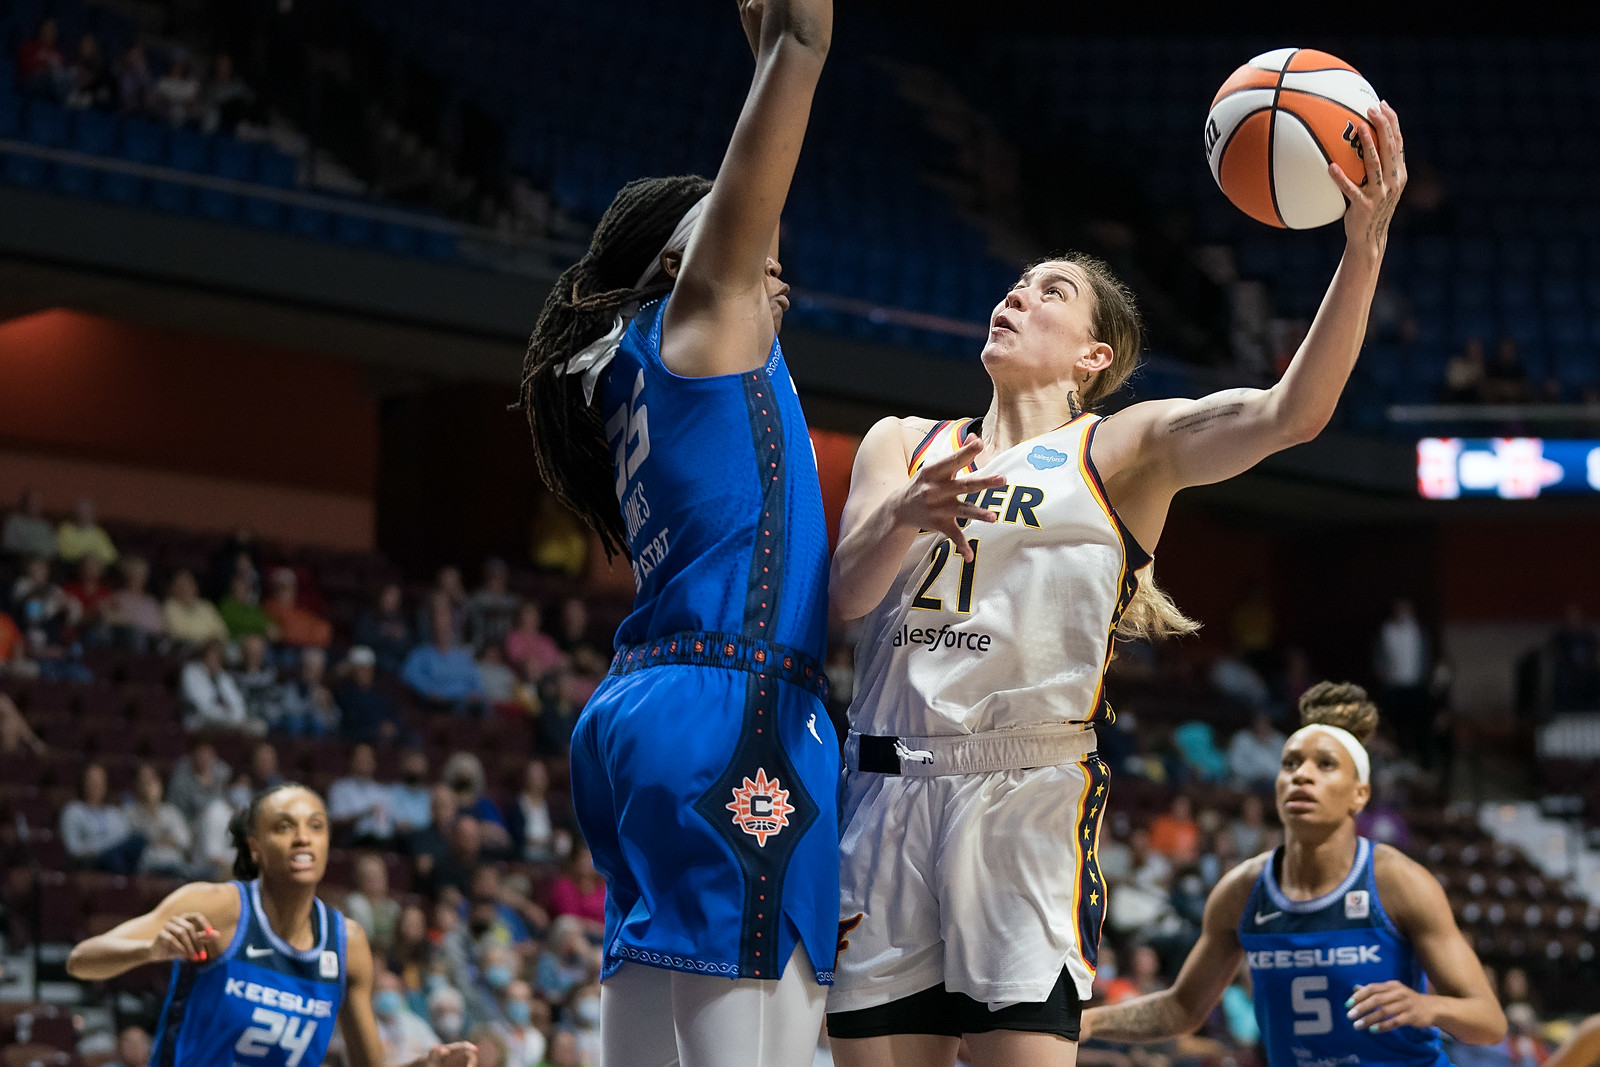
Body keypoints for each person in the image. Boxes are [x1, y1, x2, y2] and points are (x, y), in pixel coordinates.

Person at [825, 105, 1409, 1066]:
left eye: (1049, 291)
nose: (1017, 296)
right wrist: (898, 517)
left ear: (1094, 357)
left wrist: (1364, 247)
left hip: (1023, 797)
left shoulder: (1118, 447)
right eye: (1014, 285)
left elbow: (1290, 414)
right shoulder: (902, 442)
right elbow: (844, 600)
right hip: (884, 793)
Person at [518, 2, 835, 1062]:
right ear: (675, 260)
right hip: (728, 701)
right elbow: (766, 156)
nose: (762, 237)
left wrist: (761, 55)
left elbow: (759, 191)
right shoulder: (703, 316)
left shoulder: (647, 362)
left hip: (644, 708)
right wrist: (794, 44)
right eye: (734, 223)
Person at [1080, 683, 1506, 1063]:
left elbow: (1489, 1021)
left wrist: (1429, 1007)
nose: (1302, 775)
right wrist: (1088, 1025)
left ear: (1360, 793)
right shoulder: (1242, 890)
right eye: (1290, 764)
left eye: (1324, 765)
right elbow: (1180, 1009)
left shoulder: (1398, 881)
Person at [66, 782, 477, 1067]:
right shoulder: (216, 906)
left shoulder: (346, 943)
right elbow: (81, 961)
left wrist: (427, 1063)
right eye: (285, 826)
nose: (303, 838)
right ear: (256, 849)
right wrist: (149, 949)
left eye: (315, 826)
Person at [61, 761, 143, 874]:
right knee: (115, 859)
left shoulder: (114, 813)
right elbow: (73, 849)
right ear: (83, 782)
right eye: (92, 781)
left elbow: (125, 842)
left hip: (116, 857)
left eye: (100, 781)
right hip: (91, 861)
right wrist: (101, 849)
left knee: (139, 839)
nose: (96, 785)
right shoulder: (73, 811)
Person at [402, 603, 485, 712]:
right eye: (439, 624)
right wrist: (428, 691)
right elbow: (409, 675)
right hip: (438, 704)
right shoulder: (421, 654)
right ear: (432, 627)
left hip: (466, 703)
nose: (443, 629)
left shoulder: (463, 656)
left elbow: (476, 682)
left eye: (447, 624)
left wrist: (476, 693)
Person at [124, 762, 194, 877]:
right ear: (137, 785)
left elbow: (185, 842)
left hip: (176, 869)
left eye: (151, 781)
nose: (148, 786)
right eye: (143, 782)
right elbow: (134, 846)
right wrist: (162, 840)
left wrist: (160, 841)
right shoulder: (129, 813)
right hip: (147, 870)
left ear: (159, 784)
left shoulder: (171, 812)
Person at [181, 639, 257, 734]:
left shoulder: (223, 676)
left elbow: (238, 704)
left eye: (219, 656)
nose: (215, 659)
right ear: (205, 655)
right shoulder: (192, 671)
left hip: (226, 722)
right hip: (199, 722)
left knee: (257, 727)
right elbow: (205, 708)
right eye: (213, 655)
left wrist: (235, 719)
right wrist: (230, 719)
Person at [375, 967, 443, 1065]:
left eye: (392, 988)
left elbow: (437, 1050)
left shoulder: (415, 1023)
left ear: (401, 994)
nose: (388, 993)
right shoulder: (366, 1025)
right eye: (382, 988)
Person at [356, 584, 415, 676]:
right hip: (373, 661)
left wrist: (399, 637)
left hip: (395, 665)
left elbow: (408, 648)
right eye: (389, 595)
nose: (392, 600)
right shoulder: (369, 616)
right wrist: (383, 631)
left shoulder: (401, 621)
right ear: (381, 596)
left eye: (396, 597)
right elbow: (361, 638)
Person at [165, 569, 230, 649]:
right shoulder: (170, 606)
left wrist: (213, 641)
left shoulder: (206, 605)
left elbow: (222, 631)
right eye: (181, 585)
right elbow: (180, 634)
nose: (186, 588)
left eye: (189, 584)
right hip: (188, 651)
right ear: (174, 588)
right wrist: (207, 640)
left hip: (214, 649)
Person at [58, 497, 118, 565]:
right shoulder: (65, 529)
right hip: (72, 566)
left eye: (88, 511)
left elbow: (111, 556)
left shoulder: (98, 532)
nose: (85, 514)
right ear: (75, 512)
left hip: (97, 567)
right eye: (82, 511)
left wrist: (95, 558)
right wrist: (87, 555)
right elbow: (64, 552)